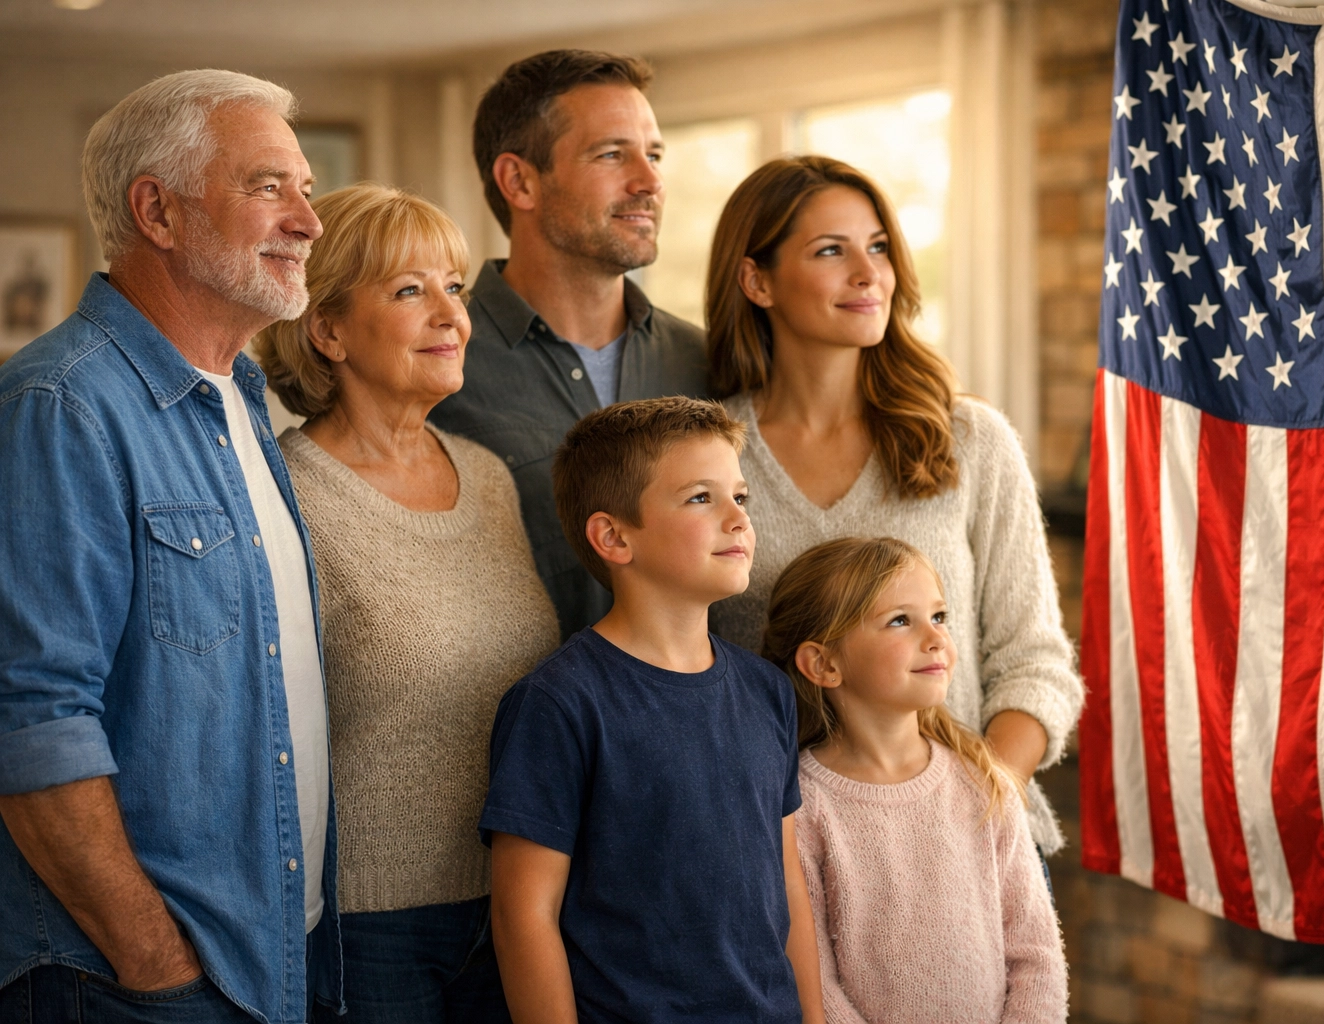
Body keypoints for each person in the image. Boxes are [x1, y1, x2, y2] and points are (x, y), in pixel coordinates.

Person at [0, 71, 340, 1022]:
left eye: (305, 189)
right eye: (270, 186)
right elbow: (32, 724)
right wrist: (156, 966)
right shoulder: (59, 404)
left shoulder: (238, 397)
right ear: (157, 210)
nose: (308, 221)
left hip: (264, 953)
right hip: (132, 983)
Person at [706, 155, 1084, 862]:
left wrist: (972, 804)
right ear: (757, 280)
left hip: (973, 844)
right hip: (786, 855)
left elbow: (1035, 663)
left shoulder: (970, 441)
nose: (868, 272)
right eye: (831, 251)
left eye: (877, 246)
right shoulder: (712, 457)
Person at [253, 183, 560, 1024]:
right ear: (328, 329)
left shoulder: (490, 479)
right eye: (408, 291)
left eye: (454, 288)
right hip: (371, 930)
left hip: (521, 904)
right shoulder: (286, 496)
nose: (450, 316)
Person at [481, 398, 825, 1024]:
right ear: (614, 536)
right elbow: (523, 916)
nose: (737, 519)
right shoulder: (559, 704)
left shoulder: (767, 692)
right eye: (701, 498)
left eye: (740, 498)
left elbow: (788, 886)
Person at [430, 49, 709, 640]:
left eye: (654, 154)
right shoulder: (436, 363)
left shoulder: (705, 363)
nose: (650, 181)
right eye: (612, 154)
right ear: (520, 181)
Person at [763, 537, 1067, 1024]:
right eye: (901, 620)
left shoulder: (984, 784)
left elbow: (1037, 955)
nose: (935, 638)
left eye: (939, 616)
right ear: (824, 664)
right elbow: (814, 981)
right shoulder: (801, 807)